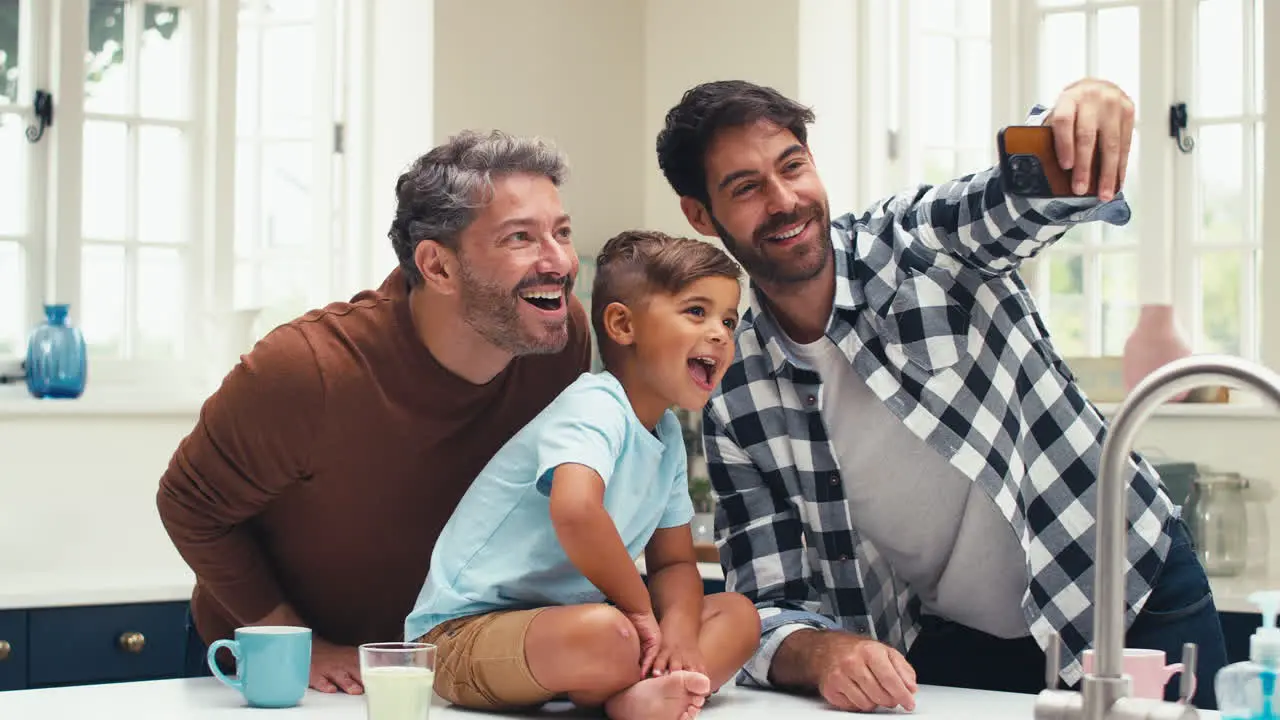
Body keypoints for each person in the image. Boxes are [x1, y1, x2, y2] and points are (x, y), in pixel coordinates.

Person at [654, 78, 1228, 712]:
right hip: (963, 645)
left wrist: (1083, 110)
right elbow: (767, 603)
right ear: (700, 214)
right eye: (746, 188)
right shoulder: (734, 393)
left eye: (793, 166)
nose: (785, 200)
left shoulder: (916, 245)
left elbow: (1013, 196)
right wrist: (823, 653)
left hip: (1127, 593)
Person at [156, 130, 593, 695]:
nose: (559, 260)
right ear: (437, 267)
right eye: (520, 238)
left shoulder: (557, 340)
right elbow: (188, 503)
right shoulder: (306, 368)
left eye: (561, 232)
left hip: (437, 668)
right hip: (276, 668)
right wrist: (296, 643)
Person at [403, 230, 762, 720]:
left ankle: (647, 685)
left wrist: (679, 637)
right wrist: (638, 613)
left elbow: (675, 564)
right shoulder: (595, 405)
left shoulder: (668, 437)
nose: (721, 333)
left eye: (728, 318)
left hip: (570, 631)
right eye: (696, 312)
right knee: (607, 633)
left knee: (738, 615)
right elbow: (575, 511)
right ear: (622, 324)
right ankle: (629, 694)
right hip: (463, 635)